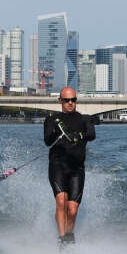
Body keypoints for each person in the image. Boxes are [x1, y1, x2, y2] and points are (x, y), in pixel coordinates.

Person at [43, 86, 96, 244]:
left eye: (73, 100)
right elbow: (47, 141)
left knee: (72, 210)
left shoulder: (84, 119)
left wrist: (79, 135)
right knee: (61, 201)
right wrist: (57, 133)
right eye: (67, 100)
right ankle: (62, 240)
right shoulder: (52, 119)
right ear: (60, 101)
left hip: (76, 169)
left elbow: (91, 135)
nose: (70, 103)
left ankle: (69, 235)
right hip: (58, 165)